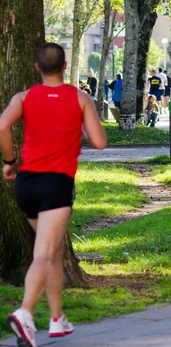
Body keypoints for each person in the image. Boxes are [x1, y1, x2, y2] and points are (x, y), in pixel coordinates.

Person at [0, 43, 107, 347]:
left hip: (26, 185)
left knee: (55, 251)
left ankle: (57, 319)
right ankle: (25, 313)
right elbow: (99, 142)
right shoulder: (80, 98)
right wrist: (83, 127)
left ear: (37, 68)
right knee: (44, 253)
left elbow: (2, 126)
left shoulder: (23, 97)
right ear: (64, 66)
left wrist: (9, 162)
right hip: (56, 185)